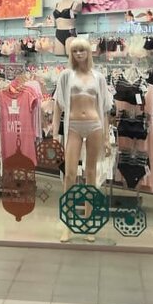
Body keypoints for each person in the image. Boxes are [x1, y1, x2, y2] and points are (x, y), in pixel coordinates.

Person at [52, 37, 111, 242]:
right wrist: (54, 133)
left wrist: (106, 138)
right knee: (69, 174)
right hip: (73, 126)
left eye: (82, 50)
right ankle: (67, 223)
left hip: (95, 125)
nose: (79, 54)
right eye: (75, 51)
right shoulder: (66, 76)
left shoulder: (98, 77)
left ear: (88, 53)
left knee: (91, 173)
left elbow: (105, 108)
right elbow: (58, 105)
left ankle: (88, 221)